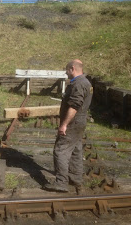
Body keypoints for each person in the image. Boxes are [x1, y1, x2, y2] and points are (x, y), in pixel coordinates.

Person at [44, 59, 92, 194]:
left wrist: (64, 124)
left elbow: (74, 106)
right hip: (80, 121)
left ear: (72, 68)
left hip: (73, 122)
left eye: (67, 70)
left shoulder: (78, 84)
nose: (66, 73)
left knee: (60, 150)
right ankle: (76, 179)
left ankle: (61, 183)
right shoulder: (86, 83)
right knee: (76, 151)